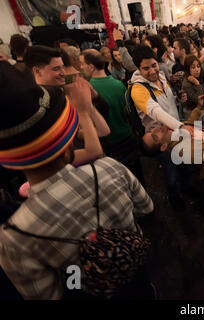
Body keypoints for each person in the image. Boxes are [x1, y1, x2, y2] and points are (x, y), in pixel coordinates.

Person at [0, 61, 154, 300]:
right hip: (138, 281)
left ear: (8, 162)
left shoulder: (16, 238)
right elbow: (146, 208)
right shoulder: (112, 169)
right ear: (67, 131)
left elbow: (48, 296)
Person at [129, 45, 191, 211]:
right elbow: (155, 112)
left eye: (154, 65)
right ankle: (174, 199)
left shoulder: (162, 77)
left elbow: (169, 104)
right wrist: (181, 126)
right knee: (171, 173)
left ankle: (185, 188)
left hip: (176, 132)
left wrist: (179, 99)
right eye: (146, 68)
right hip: (160, 138)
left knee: (182, 163)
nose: (152, 71)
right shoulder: (138, 89)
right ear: (138, 68)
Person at [80, 49, 144, 183]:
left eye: (82, 64)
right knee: (137, 175)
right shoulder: (119, 84)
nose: (80, 67)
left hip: (109, 143)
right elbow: (129, 112)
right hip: (128, 137)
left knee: (120, 180)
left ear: (91, 67)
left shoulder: (88, 90)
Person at [181, 54, 204, 124]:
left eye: (198, 66)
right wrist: (197, 84)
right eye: (193, 67)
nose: (197, 70)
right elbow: (199, 101)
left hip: (200, 114)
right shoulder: (187, 84)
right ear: (188, 69)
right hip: (194, 117)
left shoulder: (196, 78)